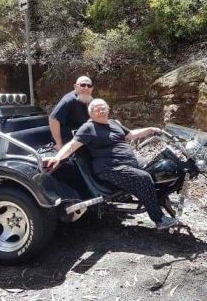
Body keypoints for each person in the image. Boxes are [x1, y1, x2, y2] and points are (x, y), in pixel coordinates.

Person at [44, 98, 178, 230]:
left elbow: (131, 134)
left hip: (128, 162)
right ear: (91, 113)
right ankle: (159, 219)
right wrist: (57, 158)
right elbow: (72, 146)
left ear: (108, 110)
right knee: (144, 178)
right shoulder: (89, 127)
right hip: (109, 168)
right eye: (97, 109)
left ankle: (154, 200)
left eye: (103, 108)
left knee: (158, 167)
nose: (101, 111)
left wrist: (151, 129)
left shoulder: (114, 123)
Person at [49, 76, 94, 151]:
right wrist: (59, 143)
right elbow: (53, 119)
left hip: (82, 138)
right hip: (69, 140)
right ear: (75, 86)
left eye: (89, 86)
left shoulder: (89, 99)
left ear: (92, 88)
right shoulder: (69, 100)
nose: (86, 88)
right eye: (83, 85)